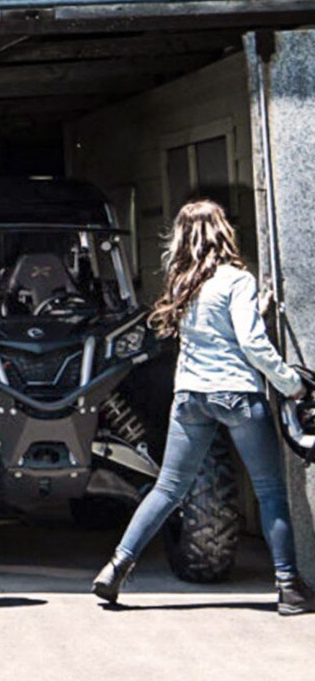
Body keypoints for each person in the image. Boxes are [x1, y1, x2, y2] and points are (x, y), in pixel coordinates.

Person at [92, 198, 315, 615]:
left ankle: (116, 567)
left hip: (190, 397)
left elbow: (213, 329)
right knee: (270, 492)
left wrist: (256, 310)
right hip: (236, 394)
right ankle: (289, 588)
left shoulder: (183, 284)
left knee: (168, 488)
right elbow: (251, 344)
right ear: (222, 231)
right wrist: (292, 385)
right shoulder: (237, 279)